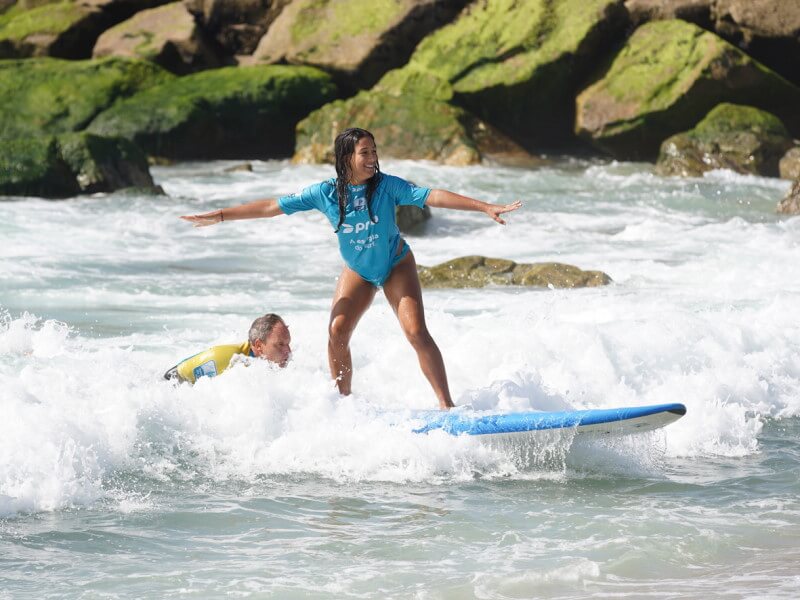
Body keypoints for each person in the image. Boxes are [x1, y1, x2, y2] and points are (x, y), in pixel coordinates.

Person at [181, 127, 521, 409]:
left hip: (395, 263)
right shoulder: (325, 193)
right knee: (337, 332)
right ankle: (344, 404)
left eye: (374, 151)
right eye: (365, 153)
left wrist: (483, 207)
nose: (373, 158)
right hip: (357, 270)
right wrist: (222, 214)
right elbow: (272, 206)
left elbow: (431, 195)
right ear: (347, 158)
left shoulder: (387, 186)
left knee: (416, 332)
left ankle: (447, 406)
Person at [164, 313, 291, 384]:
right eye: (280, 344)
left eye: (288, 344)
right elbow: (172, 377)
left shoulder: (277, 363)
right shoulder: (226, 359)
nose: (288, 351)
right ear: (259, 346)